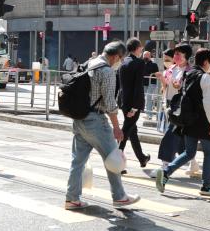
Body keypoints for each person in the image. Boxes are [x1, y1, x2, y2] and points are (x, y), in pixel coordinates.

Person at [65, 41, 140, 210]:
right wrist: (117, 127)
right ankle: (119, 197)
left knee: (77, 162)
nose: (120, 62)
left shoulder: (89, 63)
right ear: (116, 56)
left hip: (79, 118)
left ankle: (72, 199)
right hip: (96, 121)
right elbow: (110, 103)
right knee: (113, 158)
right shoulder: (107, 71)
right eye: (121, 59)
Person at [155, 48, 210, 196]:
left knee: (189, 152)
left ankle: (166, 172)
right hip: (203, 121)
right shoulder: (205, 77)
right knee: (209, 153)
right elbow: (208, 103)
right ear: (206, 62)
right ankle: (206, 186)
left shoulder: (188, 74)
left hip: (189, 120)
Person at [150, 44, 199, 177]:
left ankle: (165, 166)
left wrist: (180, 87)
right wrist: (162, 79)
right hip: (170, 105)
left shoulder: (190, 71)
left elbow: (191, 91)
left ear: (186, 57)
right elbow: (166, 86)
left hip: (182, 108)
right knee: (180, 138)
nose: (175, 56)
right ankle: (193, 162)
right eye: (175, 54)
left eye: (178, 54)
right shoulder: (172, 68)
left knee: (170, 135)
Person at [117, 38, 150, 170]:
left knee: (132, 130)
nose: (142, 49)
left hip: (123, 101)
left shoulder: (123, 62)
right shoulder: (139, 63)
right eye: (141, 47)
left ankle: (142, 158)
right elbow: (138, 86)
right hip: (133, 104)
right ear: (137, 48)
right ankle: (116, 158)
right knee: (126, 131)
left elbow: (120, 84)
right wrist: (135, 107)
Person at [142, 51, 160, 120]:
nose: (145, 57)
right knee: (144, 98)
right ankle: (147, 113)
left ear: (150, 56)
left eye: (147, 55)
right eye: (144, 55)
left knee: (149, 98)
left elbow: (156, 74)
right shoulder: (141, 64)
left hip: (151, 83)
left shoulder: (154, 65)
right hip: (143, 83)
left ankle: (149, 115)